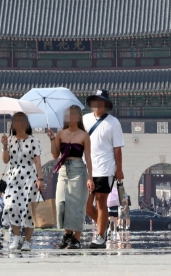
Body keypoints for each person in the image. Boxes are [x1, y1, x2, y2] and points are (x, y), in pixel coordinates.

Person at [47, 105, 94, 249]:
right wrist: (52, 138)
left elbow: (88, 157)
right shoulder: (60, 134)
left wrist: (90, 178)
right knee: (61, 203)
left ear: (79, 117)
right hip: (63, 169)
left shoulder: (84, 135)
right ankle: (67, 234)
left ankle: (77, 239)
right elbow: (55, 155)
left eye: (73, 115)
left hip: (78, 169)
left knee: (77, 204)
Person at [83, 89, 125, 249]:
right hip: (87, 169)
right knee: (86, 206)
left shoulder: (113, 123)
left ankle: (100, 237)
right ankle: (104, 223)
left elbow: (117, 149)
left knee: (101, 203)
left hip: (105, 168)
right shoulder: (85, 119)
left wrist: (119, 169)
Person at [0, 112, 44, 252]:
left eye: (21, 121)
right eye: (16, 121)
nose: (18, 123)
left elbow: (37, 161)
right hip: (13, 177)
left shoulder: (33, 140)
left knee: (29, 209)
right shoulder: (10, 140)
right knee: (10, 206)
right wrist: (5, 146)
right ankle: (17, 236)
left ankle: (27, 241)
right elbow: (5, 160)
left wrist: (40, 178)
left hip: (29, 176)